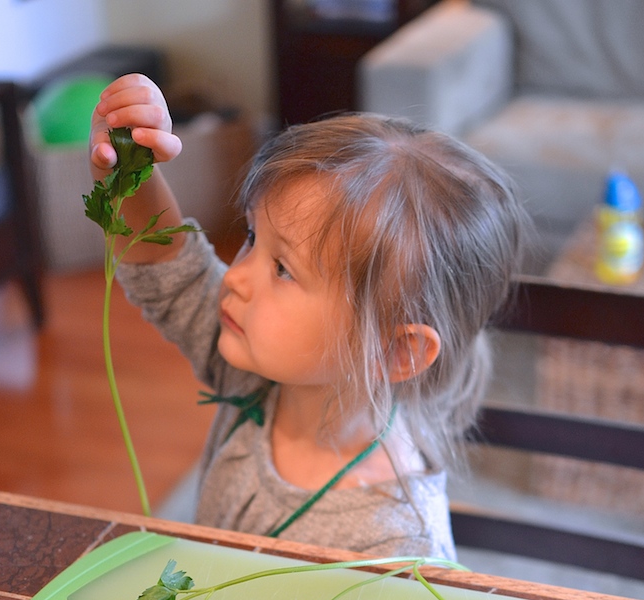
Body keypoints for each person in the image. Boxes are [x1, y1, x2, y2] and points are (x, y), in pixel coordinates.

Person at [89, 74, 528, 559]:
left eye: (283, 269)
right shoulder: (252, 368)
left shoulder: (396, 543)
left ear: (396, 350)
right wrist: (129, 166)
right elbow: (171, 271)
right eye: (253, 238)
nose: (234, 277)